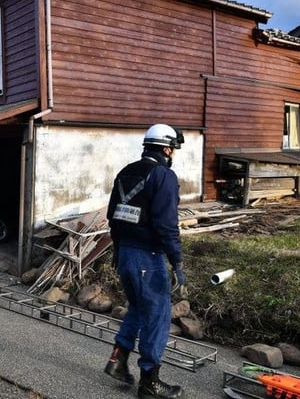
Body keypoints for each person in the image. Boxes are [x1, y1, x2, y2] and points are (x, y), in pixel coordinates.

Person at [103, 124, 185, 399]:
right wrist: (178, 262)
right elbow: (166, 225)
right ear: (165, 148)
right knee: (159, 315)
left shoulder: (126, 172)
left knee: (138, 308)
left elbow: (112, 216)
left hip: (125, 253)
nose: (173, 153)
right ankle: (150, 382)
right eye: (172, 149)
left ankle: (118, 360)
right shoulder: (164, 176)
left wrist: (117, 252)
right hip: (148, 257)